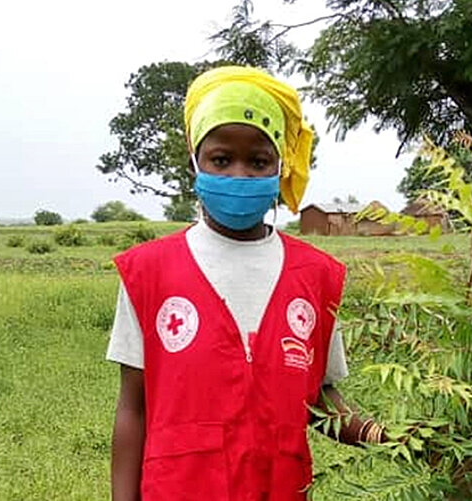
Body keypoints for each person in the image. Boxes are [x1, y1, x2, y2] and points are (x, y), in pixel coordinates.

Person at [106, 65, 384, 501]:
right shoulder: (149, 273)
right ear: (195, 161)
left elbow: (320, 398)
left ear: (281, 165)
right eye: (221, 159)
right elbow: (133, 408)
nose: (239, 175)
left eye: (258, 161)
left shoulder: (316, 277)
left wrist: (391, 436)